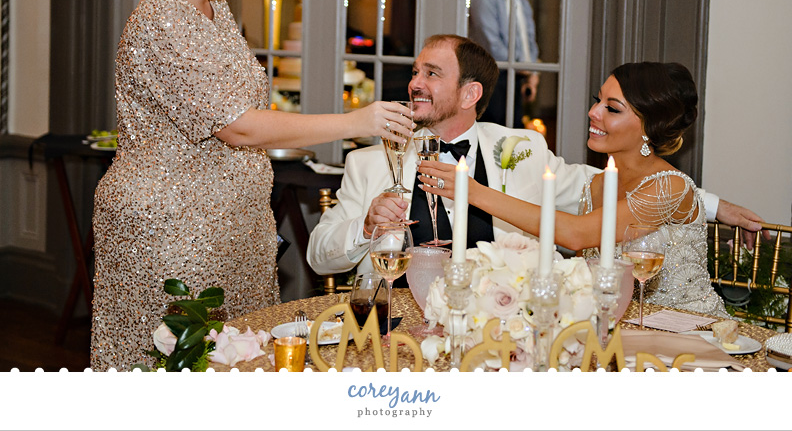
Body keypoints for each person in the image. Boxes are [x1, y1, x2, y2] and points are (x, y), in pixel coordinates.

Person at [89, 0, 412, 371]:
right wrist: (354, 120)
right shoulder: (161, 20)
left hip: (229, 227)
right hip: (174, 231)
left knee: (238, 366)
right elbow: (237, 125)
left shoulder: (212, 8)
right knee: (180, 369)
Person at [307, 36, 760, 280]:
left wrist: (714, 205)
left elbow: (622, 185)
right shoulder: (368, 163)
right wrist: (365, 228)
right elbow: (318, 259)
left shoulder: (521, 149)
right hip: (398, 326)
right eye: (415, 72)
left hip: (500, 325)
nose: (415, 83)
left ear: (471, 93)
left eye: (432, 73)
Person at [419, 62, 735, 316]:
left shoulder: (670, 187)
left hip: (690, 330)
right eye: (598, 100)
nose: (593, 112)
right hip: (623, 327)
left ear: (648, 127)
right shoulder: (596, 186)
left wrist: (473, 192)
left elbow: (576, 234)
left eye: (612, 108)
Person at [468, 0, 539, 128]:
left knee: (515, 135)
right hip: (494, 79)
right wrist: (525, 68)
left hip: (518, 78)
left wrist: (533, 73)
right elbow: (491, 44)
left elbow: (529, 41)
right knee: (493, 136)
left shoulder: (522, 1)